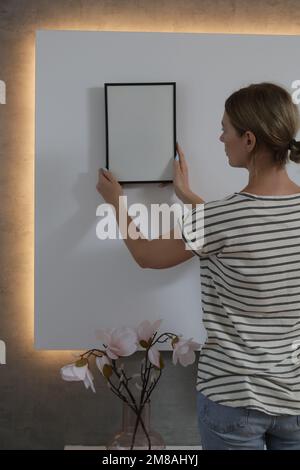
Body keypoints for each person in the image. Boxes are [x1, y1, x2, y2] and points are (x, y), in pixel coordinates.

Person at [96, 82, 300, 450]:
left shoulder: (220, 218)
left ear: (249, 140)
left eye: (226, 129)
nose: (221, 137)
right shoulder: (222, 218)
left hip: (233, 400)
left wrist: (116, 202)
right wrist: (189, 197)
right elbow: (242, 233)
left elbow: (145, 255)